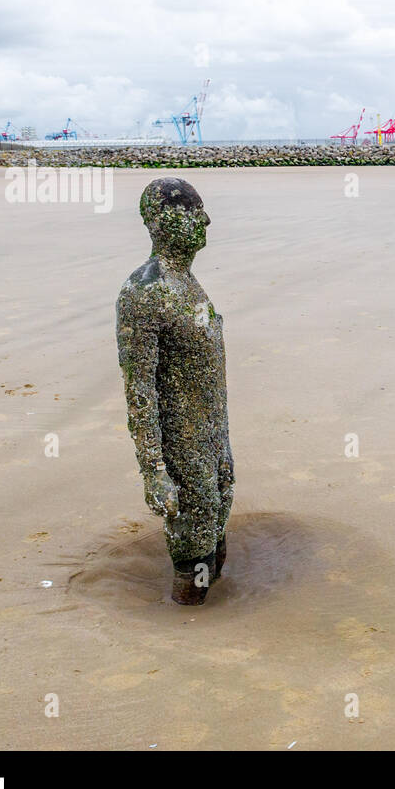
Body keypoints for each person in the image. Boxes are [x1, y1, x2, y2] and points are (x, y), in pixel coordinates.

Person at [116, 177, 233, 604]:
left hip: (214, 442)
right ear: (164, 221)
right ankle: (188, 632)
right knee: (193, 550)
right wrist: (154, 471)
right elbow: (139, 389)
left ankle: (219, 609)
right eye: (192, 211)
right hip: (184, 451)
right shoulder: (145, 293)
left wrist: (221, 447)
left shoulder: (188, 284)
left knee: (216, 532)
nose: (205, 219)